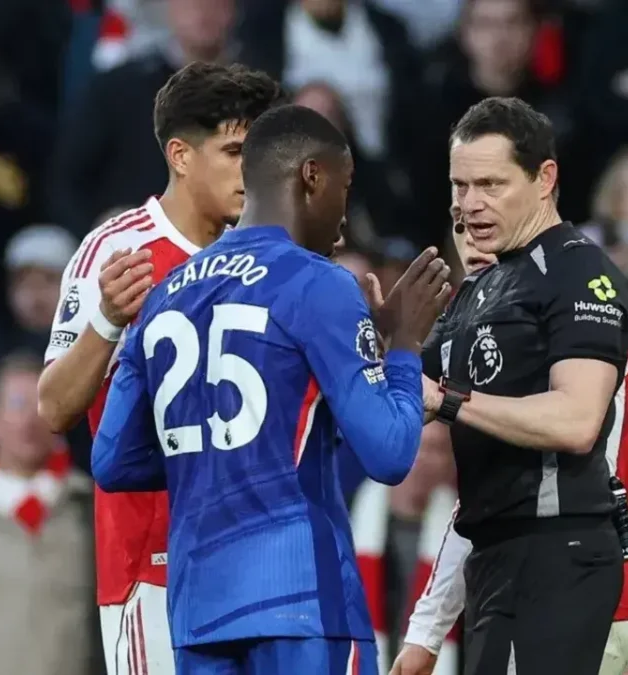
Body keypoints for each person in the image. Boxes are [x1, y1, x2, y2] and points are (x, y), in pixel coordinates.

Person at [90, 103, 452, 675]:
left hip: (197, 608)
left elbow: (111, 461)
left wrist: (220, 451)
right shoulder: (318, 282)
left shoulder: (164, 295)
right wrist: (404, 347)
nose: (345, 209)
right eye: (345, 184)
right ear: (313, 176)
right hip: (303, 599)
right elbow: (390, 452)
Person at [36, 62, 282, 675]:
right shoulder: (117, 251)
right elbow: (54, 407)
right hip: (155, 568)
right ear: (180, 154)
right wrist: (107, 321)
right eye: (233, 151)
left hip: (263, 564)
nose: (250, 170)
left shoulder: (274, 254)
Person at [418, 96, 628, 675]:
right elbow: (405, 393)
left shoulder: (579, 272)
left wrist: (447, 400)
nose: (469, 205)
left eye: (490, 184)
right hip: (495, 559)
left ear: (546, 179)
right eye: (459, 187)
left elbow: (575, 420)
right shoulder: (482, 284)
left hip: (557, 552)